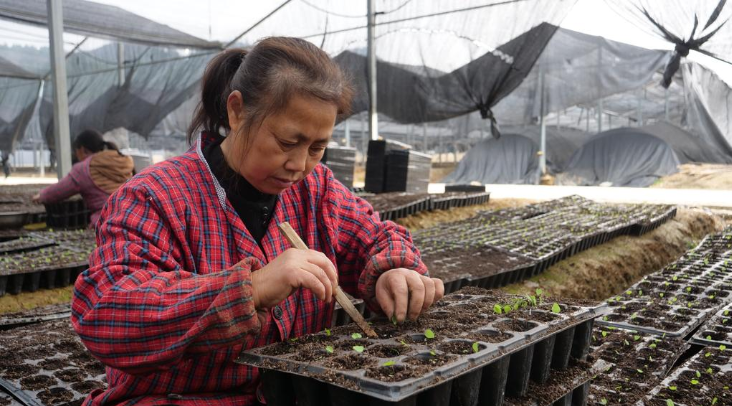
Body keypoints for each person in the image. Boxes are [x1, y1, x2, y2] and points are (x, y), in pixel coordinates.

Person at [71, 37, 443, 406]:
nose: (300, 165)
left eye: (316, 148)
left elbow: (376, 237)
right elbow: (108, 314)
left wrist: (394, 271)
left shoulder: (316, 192)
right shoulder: (155, 197)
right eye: (286, 142)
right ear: (237, 111)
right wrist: (252, 287)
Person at [33, 130, 134, 227]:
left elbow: (60, 190)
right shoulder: (121, 160)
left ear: (82, 149)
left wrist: (42, 195)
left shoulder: (84, 169)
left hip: (108, 221)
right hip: (134, 215)